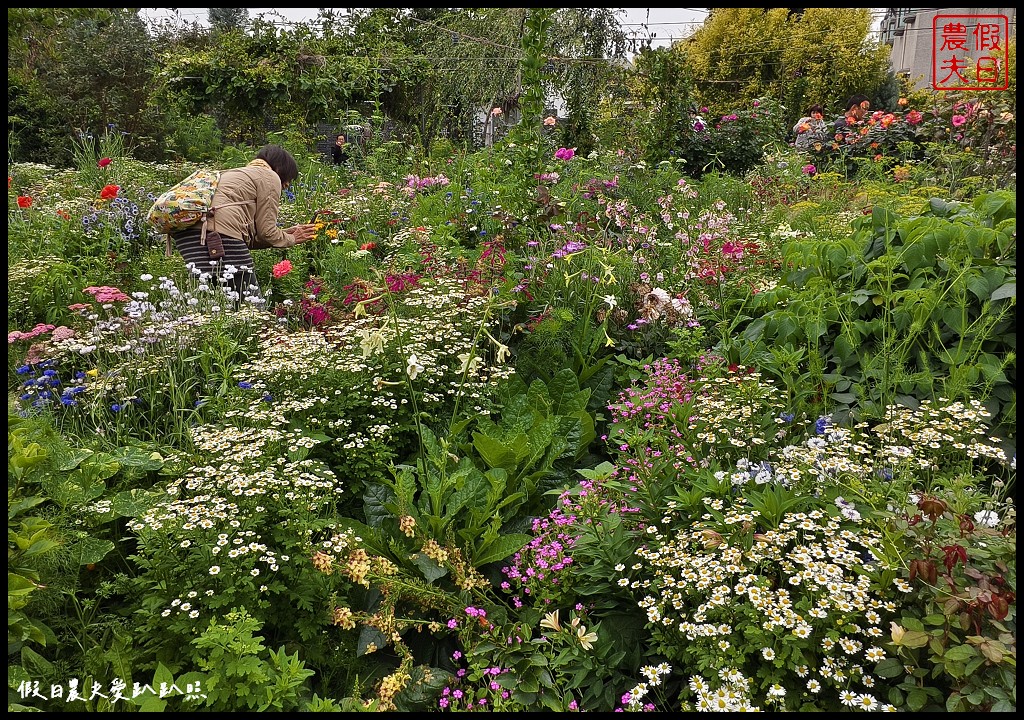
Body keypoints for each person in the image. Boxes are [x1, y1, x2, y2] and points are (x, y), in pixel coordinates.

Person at [171, 144, 317, 304]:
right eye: (287, 180)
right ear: (281, 169)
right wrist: (292, 239)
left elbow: (250, 237)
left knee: (213, 305)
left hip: (188, 237)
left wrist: (287, 233)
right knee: (252, 306)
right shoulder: (269, 176)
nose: (286, 186)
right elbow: (267, 232)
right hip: (217, 237)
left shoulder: (233, 174)